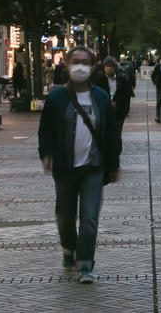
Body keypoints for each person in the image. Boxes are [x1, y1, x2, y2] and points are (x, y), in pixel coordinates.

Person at [39, 46, 122, 283]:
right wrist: (46, 154)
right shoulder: (56, 98)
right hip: (65, 168)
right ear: (66, 64)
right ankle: (68, 248)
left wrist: (114, 163)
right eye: (76, 61)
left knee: (89, 218)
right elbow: (45, 131)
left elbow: (112, 133)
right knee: (64, 217)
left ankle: (85, 264)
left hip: (93, 168)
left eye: (86, 62)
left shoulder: (101, 98)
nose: (81, 66)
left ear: (93, 66)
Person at [102, 56, 133, 123]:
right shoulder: (100, 80)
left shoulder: (122, 80)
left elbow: (126, 95)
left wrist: (117, 104)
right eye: (106, 66)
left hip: (118, 112)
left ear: (115, 67)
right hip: (104, 111)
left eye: (111, 66)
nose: (109, 68)